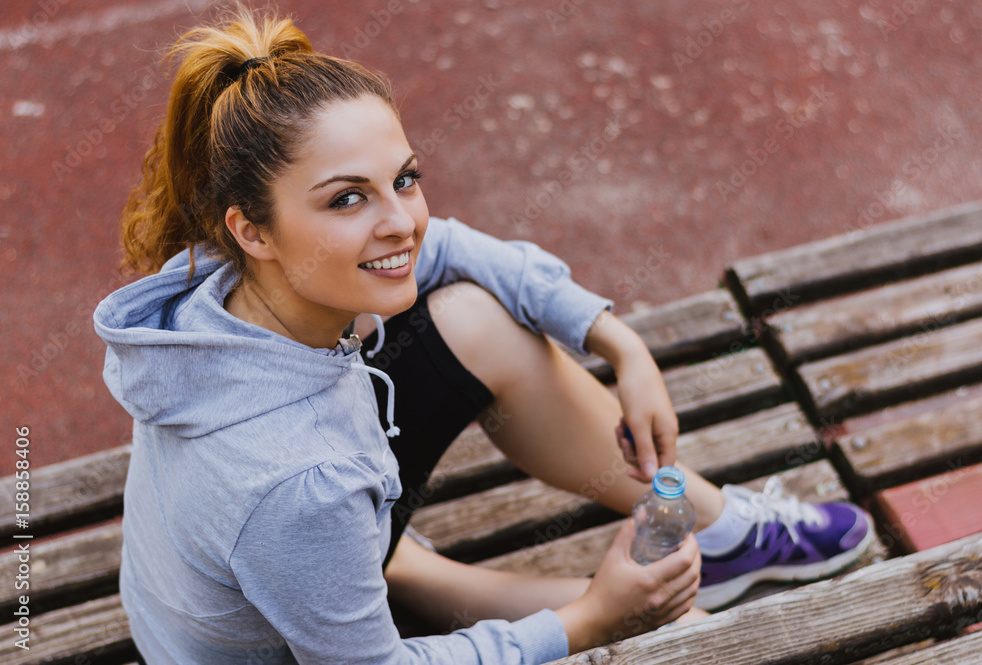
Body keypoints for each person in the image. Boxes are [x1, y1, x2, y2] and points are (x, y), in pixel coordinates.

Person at [94, 5, 873, 664]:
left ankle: (720, 536)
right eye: (346, 200)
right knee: (685, 640)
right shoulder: (301, 490)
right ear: (252, 228)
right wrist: (590, 621)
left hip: (296, 548)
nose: (400, 219)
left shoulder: (229, 279)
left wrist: (617, 343)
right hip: (300, 605)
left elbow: (449, 248)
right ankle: (435, 580)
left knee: (469, 314)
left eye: (403, 178)